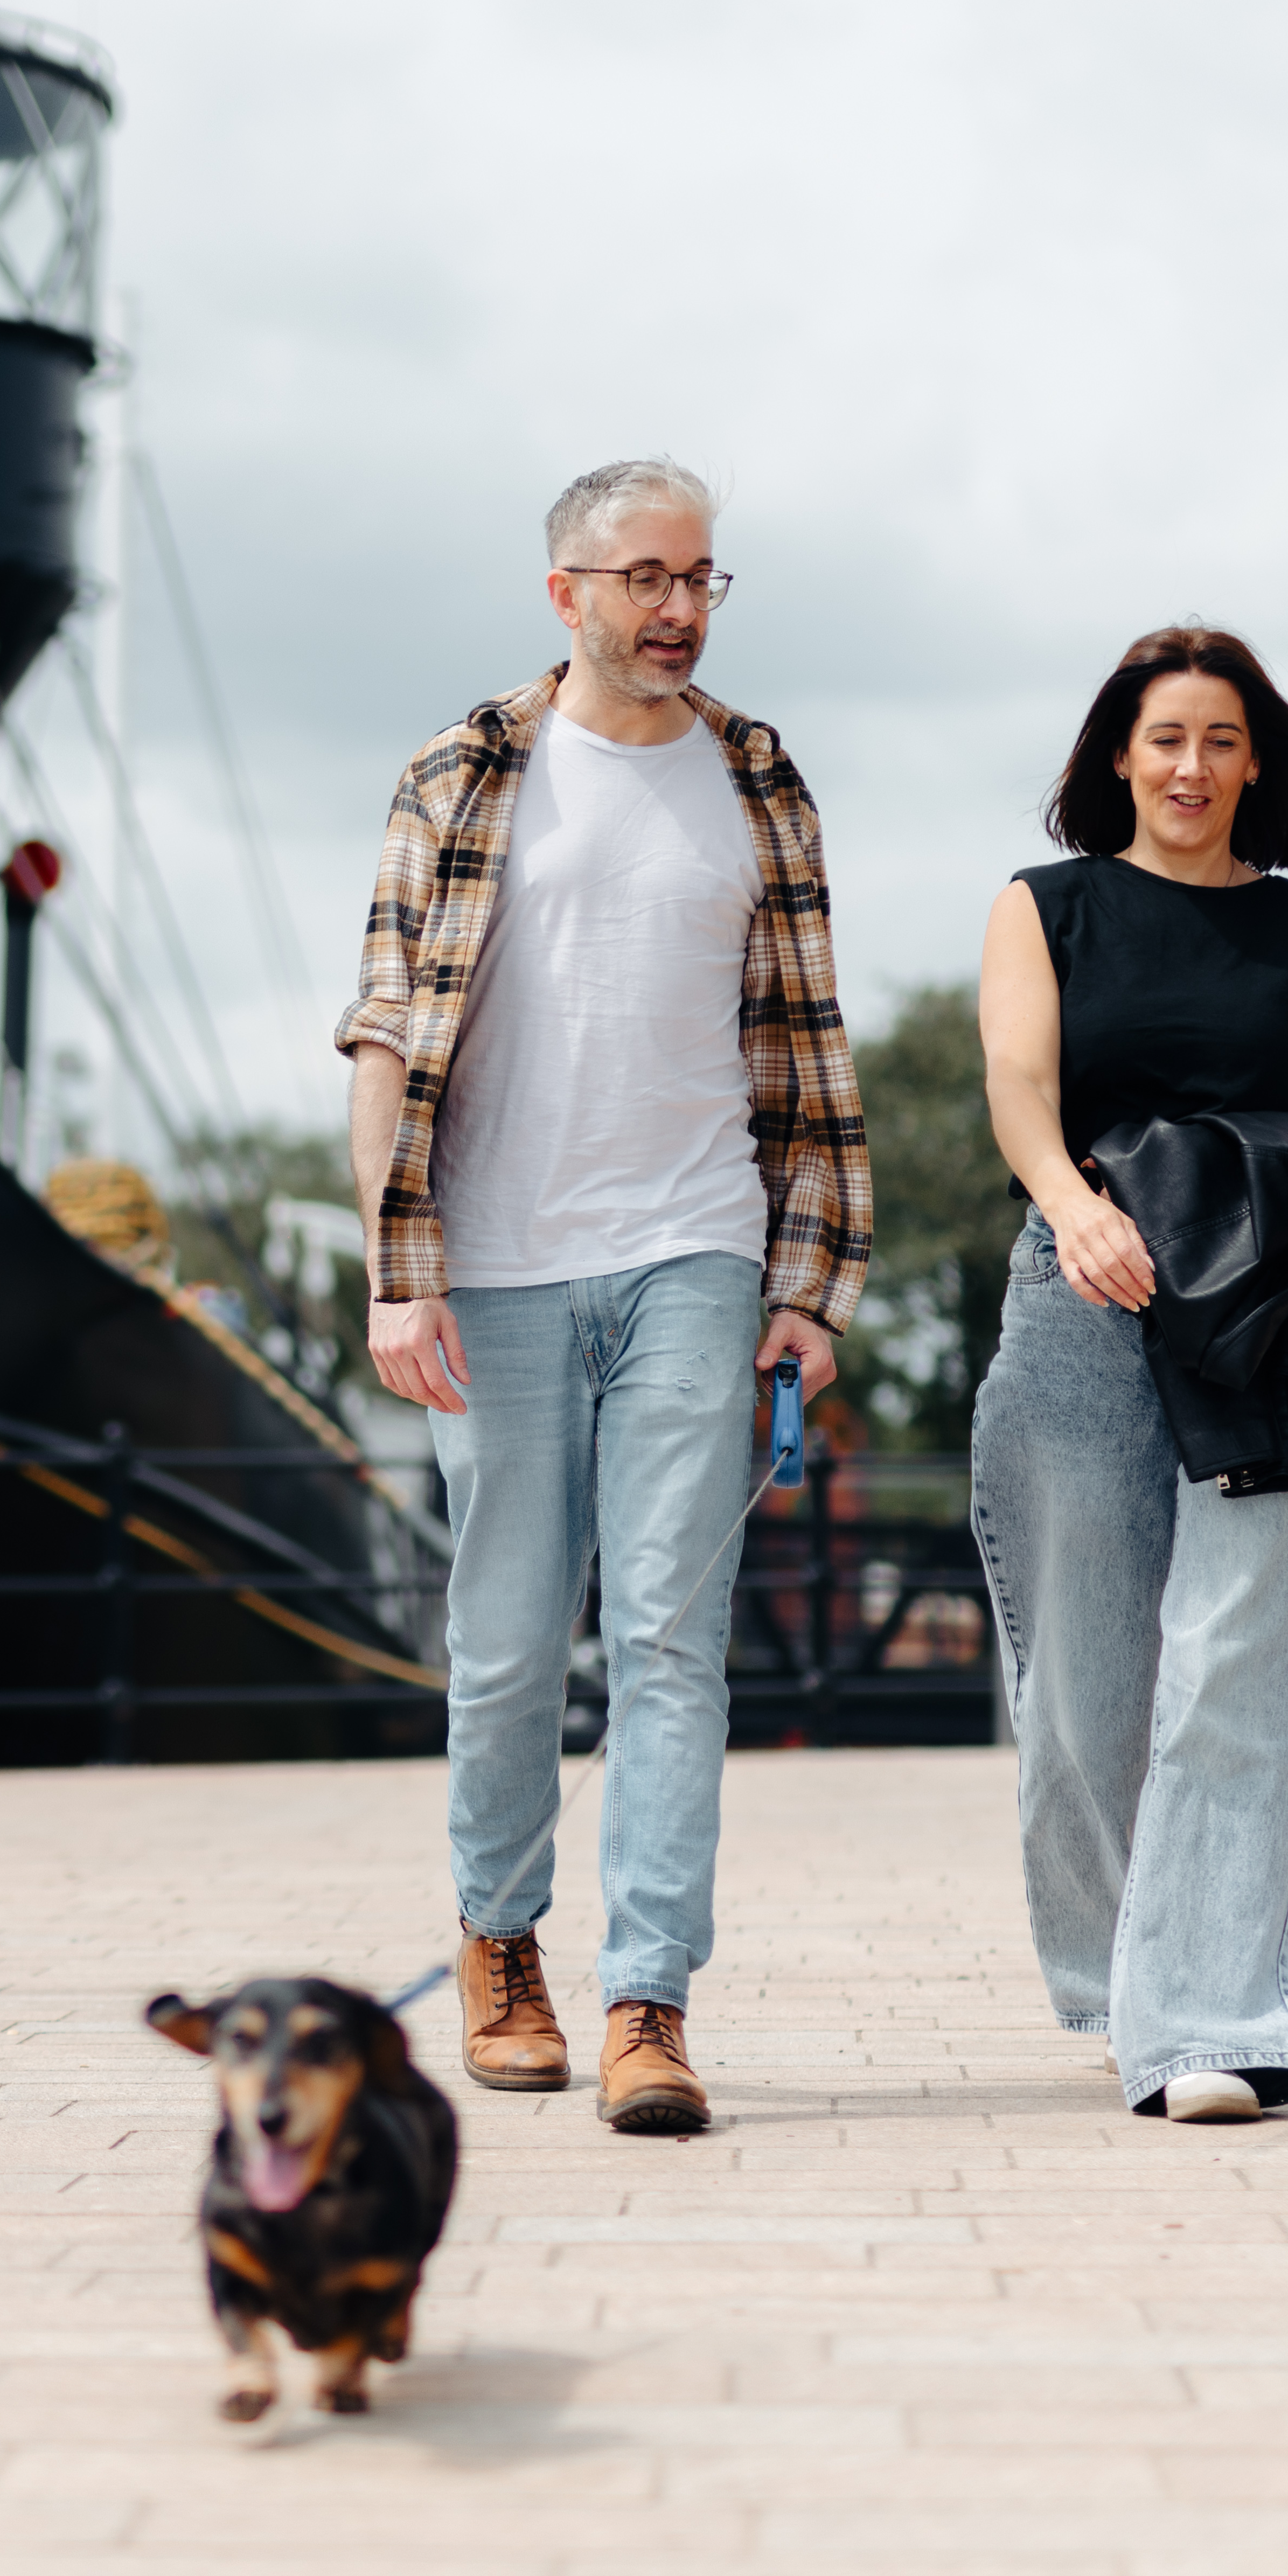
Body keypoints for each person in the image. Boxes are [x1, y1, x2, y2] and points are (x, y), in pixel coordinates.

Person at [337, 458, 870, 2135]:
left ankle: (651, 2002)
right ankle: (501, 1949)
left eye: (703, 576)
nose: (677, 607)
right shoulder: (462, 766)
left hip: (694, 1250)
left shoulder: (759, 777)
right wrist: (388, 1270)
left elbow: (805, 1044)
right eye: (645, 575)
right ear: (563, 592)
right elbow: (380, 1036)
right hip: (489, 1265)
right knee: (503, 1648)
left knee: (664, 1639)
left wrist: (814, 1280)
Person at [969, 624, 1288, 2124]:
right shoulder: (1046, 909)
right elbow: (1020, 1086)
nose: (1190, 766)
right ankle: (1120, 1971)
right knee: (1085, 1682)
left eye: (1220, 739)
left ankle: (1217, 2015)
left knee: (1236, 1662)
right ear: (1114, 757)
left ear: (1256, 761)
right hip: (1084, 1292)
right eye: (1164, 737)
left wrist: (1213, 1183)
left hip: (1263, 1309)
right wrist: (1082, 1202)